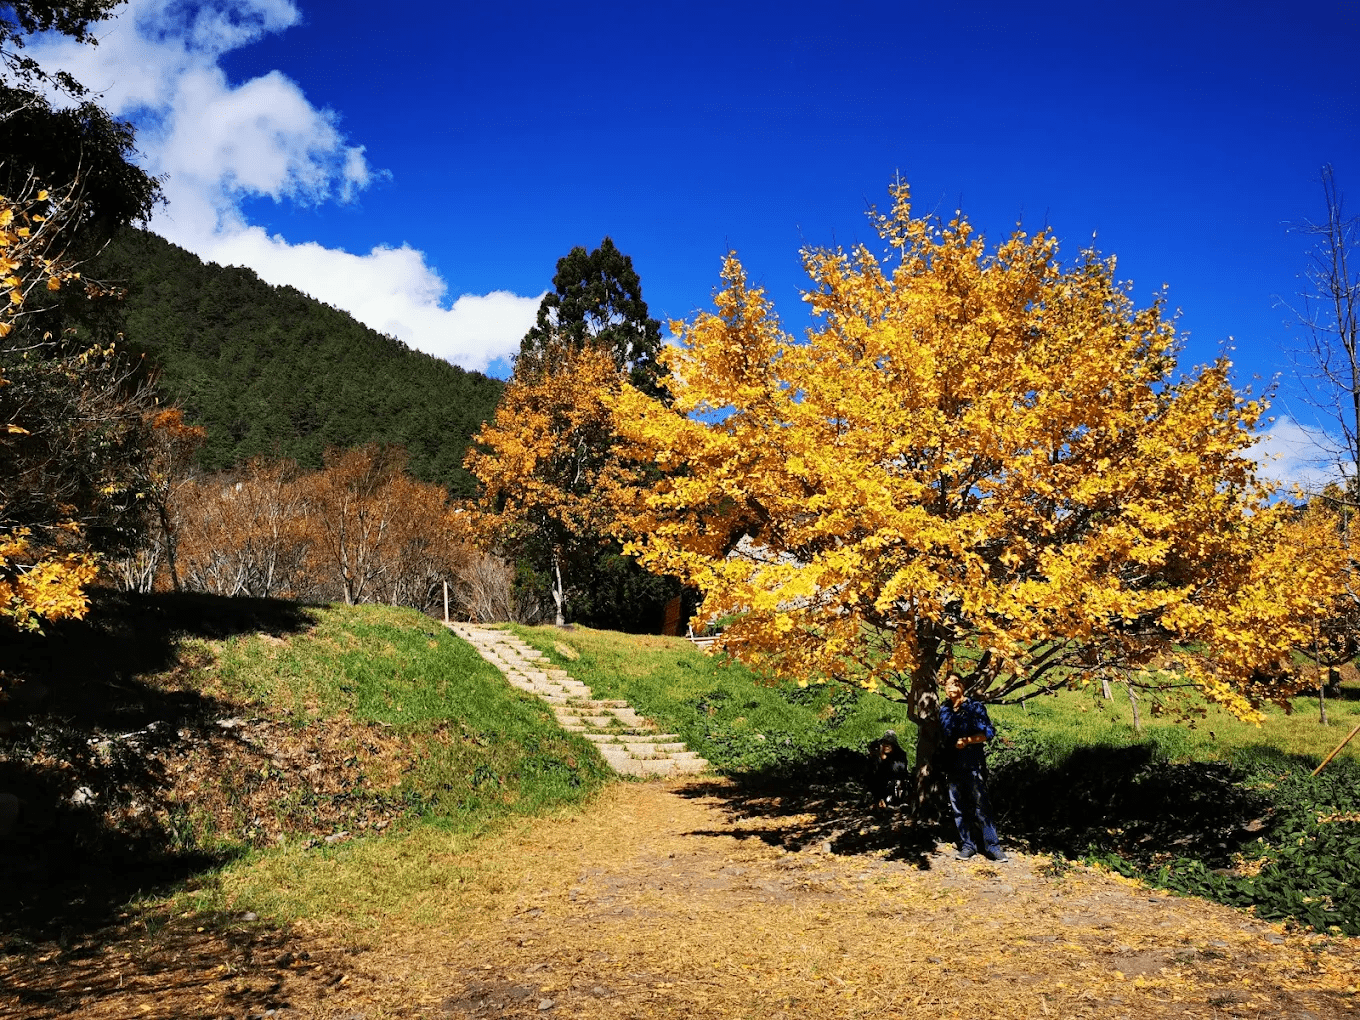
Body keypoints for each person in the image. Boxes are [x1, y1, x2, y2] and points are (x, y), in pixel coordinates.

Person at [938, 674, 1008, 862]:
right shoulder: (944, 709)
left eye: (955, 684)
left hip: (973, 763)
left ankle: (993, 847)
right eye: (947, 685)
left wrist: (968, 741)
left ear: (963, 686)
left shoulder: (974, 707)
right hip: (952, 764)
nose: (950, 687)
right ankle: (968, 845)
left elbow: (988, 733)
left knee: (981, 805)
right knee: (958, 806)